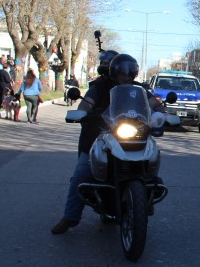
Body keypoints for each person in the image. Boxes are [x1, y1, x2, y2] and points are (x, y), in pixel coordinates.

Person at [51, 53, 159, 234]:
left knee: (152, 160)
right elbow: (85, 105)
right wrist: (85, 113)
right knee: (81, 174)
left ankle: (145, 197)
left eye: (129, 74)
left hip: (131, 138)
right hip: (99, 136)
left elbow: (154, 103)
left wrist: (160, 113)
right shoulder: (100, 86)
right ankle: (70, 217)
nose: (126, 78)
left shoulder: (137, 89)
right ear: (114, 72)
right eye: (123, 74)